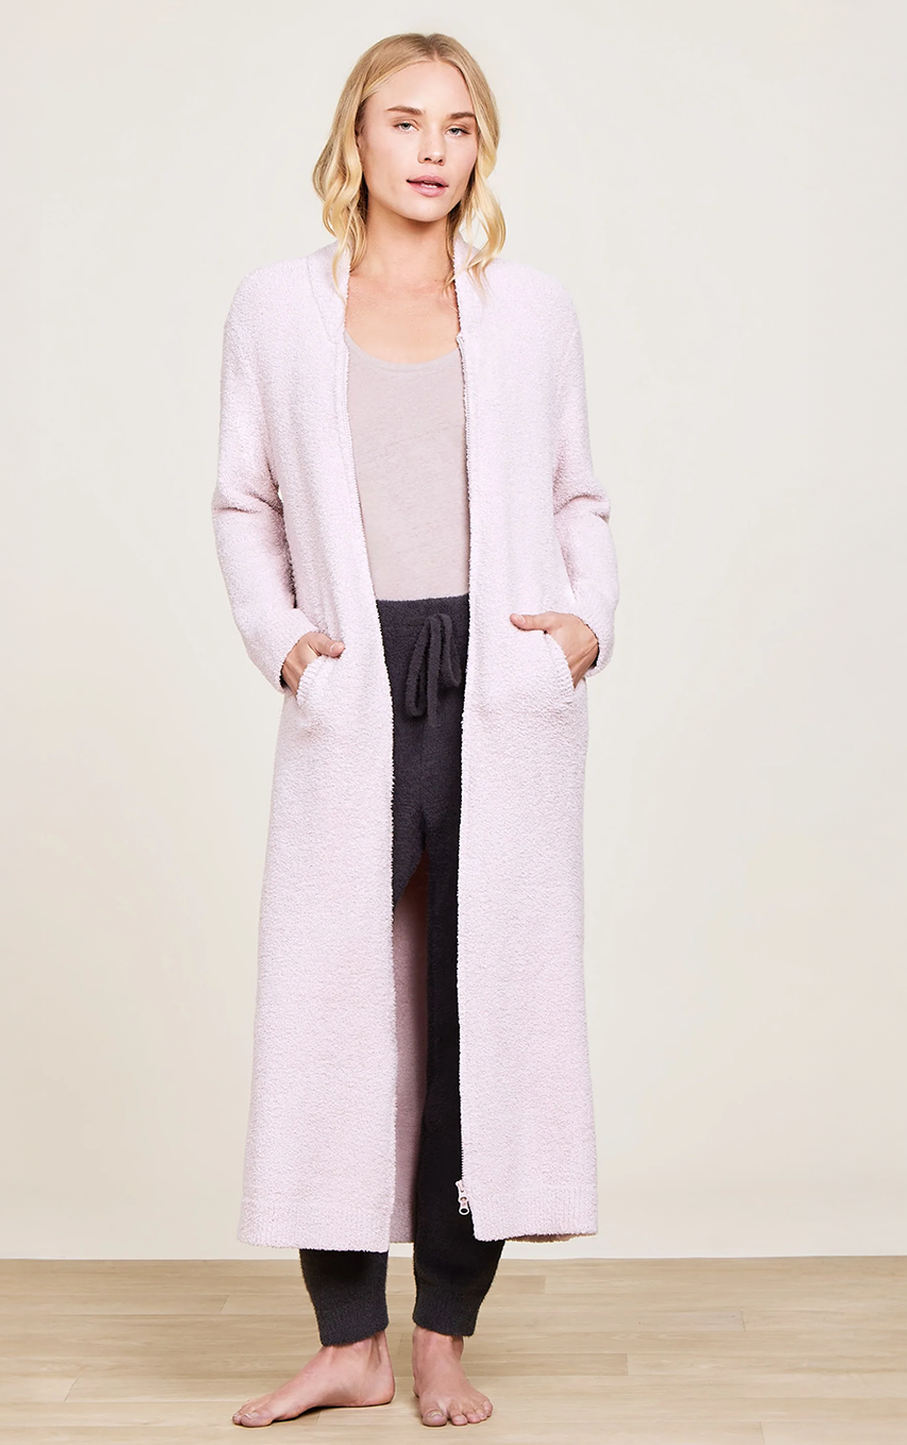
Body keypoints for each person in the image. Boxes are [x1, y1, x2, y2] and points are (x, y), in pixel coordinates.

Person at [212, 32, 619, 1430]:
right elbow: (245, 501)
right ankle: (349, 1341)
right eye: (405, 122)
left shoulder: (532, 312)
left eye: (459, 125)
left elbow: (576, 495)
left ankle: (442, 1333)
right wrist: (286, 643)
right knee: (334, 1005)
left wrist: (581, 626)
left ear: (479, 149)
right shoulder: (277, 310)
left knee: (474, 1010)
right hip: (353, 678)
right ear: (357, 140)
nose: (433, 150)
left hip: (495, 683)